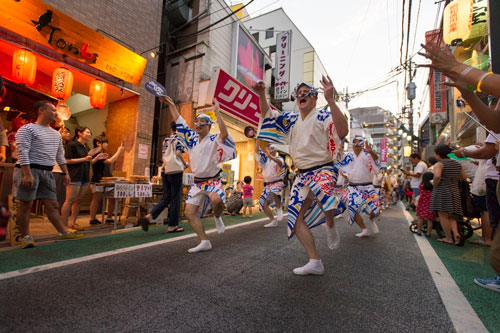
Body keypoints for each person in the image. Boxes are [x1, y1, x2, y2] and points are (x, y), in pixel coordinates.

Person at [254, 75, 348, 275]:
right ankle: (315, 261)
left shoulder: (323, 116)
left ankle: (330, 224)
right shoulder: (292, 119)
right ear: (296, 99)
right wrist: (262, 93)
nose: (302, 96)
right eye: (300, 94)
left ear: (314, 99)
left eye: (307, 93)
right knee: (294, 219)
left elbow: (342, 131)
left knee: (325, 196)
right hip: (302, 175)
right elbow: (268, 115)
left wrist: (331, 100)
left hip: (323, 169)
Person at [160, 95, 235, 253]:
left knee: (216, 199)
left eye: (203, 122)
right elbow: (179, 121)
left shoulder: (214, 139)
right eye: (197, 121)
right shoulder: (191, 139)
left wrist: (218, 113)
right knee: (189, 212)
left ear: (209, 126)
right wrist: (172, 103)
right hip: (197, 182)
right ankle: (204, 241)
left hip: (213, 181)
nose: (198, 124)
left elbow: (225, 134)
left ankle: (217, 217)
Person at [13, 101, 83, 248]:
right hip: (28, 169)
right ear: (41, 110)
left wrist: (65, 173)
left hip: (47, 171)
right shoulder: (27, 129)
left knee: (52, 204)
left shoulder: (56, 135)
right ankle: (25, 237)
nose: (56, 113)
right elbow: (22, 151)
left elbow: (59, 155)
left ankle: (62, 232)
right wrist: (27, 174)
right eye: (52, 110)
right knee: (25, 204)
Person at [139, 122, 188, 232]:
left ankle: (150, 216)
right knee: (176, 198)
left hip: (165, 170)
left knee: (167, 197)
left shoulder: (166, 140)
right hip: (175, 171)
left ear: (171, 128)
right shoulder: (179, 139)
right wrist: (185, 164)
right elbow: (179, 153)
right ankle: (173, 225)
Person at [338, 136, 381, 237]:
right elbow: (340, 161)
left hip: (368, 187)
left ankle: (371, 219)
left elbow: (376, 159)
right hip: (353, 187)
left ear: (362, 146)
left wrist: (371, 152)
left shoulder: (367, 155)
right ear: (352, 145)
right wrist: (344, 174)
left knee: (377, 210)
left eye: (359, 144)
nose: (356, 146)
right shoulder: (348, 156)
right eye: (355, 144)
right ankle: (364, 229)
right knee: (353, 209)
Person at [429, 145, 466, 245]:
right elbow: (464, 178)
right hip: (454, 191)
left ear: (438, 154)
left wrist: (435, 184)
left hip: (442, 191)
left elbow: (437, 176)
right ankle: (456, 234)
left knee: (443, 215)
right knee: (451, 216)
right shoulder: (457, 164)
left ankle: (448, 237)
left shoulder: (439, 164)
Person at [61, 126, 95, 231]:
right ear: (79, 133)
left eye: (90, 133)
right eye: (87, 132)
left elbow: (89, 161)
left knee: (78, 200)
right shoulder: (72, 145)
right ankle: (64, 225)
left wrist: (98, 157)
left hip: (85, 176)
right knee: (69, 200)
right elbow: (67, 160)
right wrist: (84, 159)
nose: (89, 134)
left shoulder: (86, 147)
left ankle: (73, 222)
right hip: (74, 175)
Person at [89, 136, 125, 225]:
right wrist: (119, 150)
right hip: (98, 179)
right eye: (105, 142)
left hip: (107, 179)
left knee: (112, 198)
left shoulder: (103, 153)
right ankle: (92, 219)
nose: (107, 144)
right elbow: (110, 161)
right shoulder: (96, 153)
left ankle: (109, 217)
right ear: (98, 143)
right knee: (96, 198)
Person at [255, 140, 285, 227]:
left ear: (275, 151)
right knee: (262, 203)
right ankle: (273, 221)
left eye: (272, 149)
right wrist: (257, 140)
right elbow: (257, 151)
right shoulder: (265, 160)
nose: (270, 150)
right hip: (267, 184)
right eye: (269, 148)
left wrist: (271, 156)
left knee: (275, 191)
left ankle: (279, 208)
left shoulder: (279, 158)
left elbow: (280, 163)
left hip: (277, 182)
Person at [52, 126, 71, 211]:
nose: (68, 134)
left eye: (68, 132)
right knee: (57, 194)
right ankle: (55, 212)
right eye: (65, 132)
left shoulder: (64, 145)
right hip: (56, 170)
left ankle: (58, 212)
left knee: (62, 194)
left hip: (62, 171)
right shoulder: (55, 143)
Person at [416, 172, 436, 237]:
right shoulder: (434, 186)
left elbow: (420, 193)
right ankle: (428, 233)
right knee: (429, 219)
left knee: (420, 218)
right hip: (431, 204)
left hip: (422, 203)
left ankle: (419, 231)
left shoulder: (421, 185)